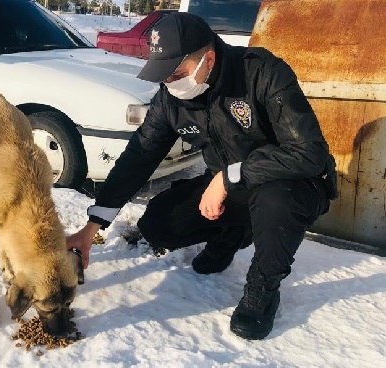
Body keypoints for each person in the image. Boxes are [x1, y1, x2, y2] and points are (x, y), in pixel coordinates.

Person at [66, 12, 336, 340]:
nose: (168, 83)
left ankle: (263, 288)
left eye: (175, 73)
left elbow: (309, 153)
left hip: (292, 184)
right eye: (162, 76)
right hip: (231, 186)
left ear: (206, 59)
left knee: (276, 199)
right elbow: (139, 155)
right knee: (158, 224)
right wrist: (92, 226)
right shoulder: (172, 99)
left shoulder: (261, 72)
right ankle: (234, 233)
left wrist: (227, 178)